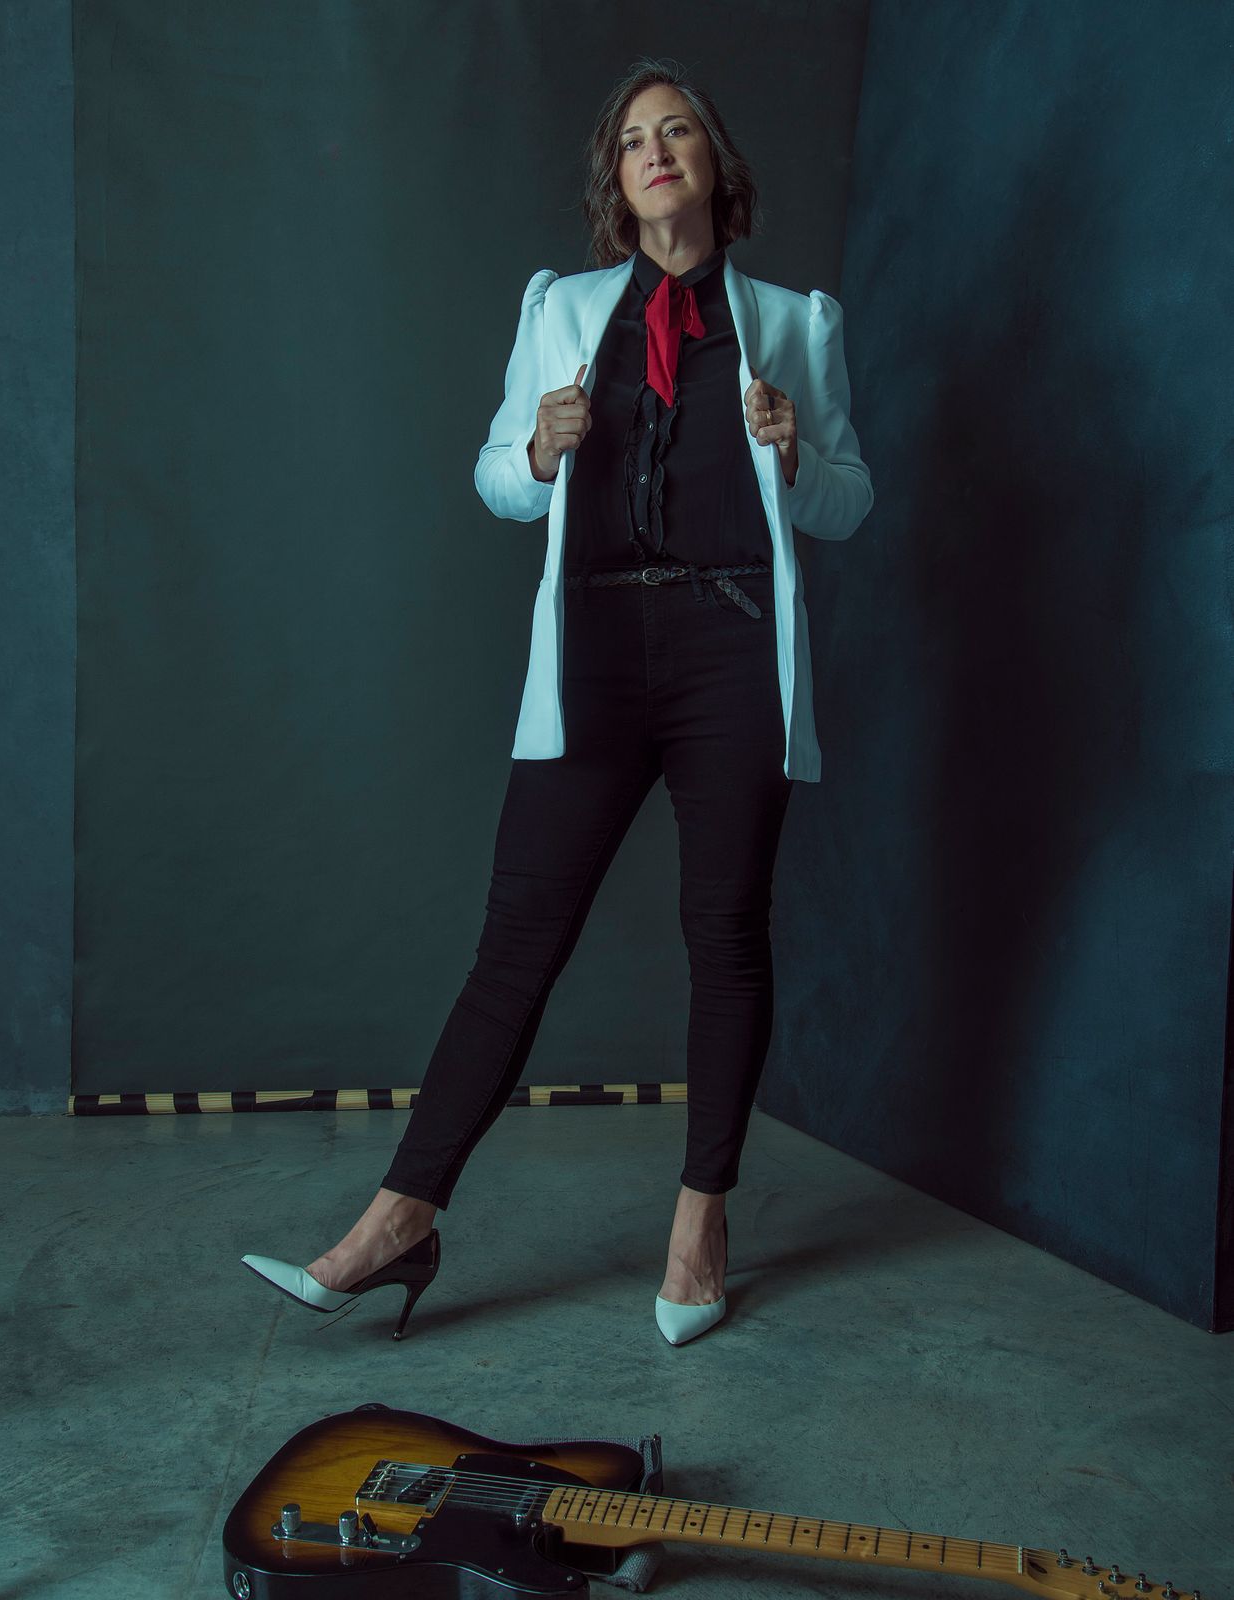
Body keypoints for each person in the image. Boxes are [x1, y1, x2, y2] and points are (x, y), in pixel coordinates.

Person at [242, 58, 873, 1345]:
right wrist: (535, 448)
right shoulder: (562, 308)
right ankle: (399, 1217)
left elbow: (847, 504)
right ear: (616, 181)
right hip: (594, 646)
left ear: (711, 160)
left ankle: (700, 1222)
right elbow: (495, 479)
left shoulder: (792, 325)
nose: (656, 150)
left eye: (677, 129)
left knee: (724, 931)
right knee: (516, 941)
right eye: (633, 139)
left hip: (730, 648)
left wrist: (794, 450)